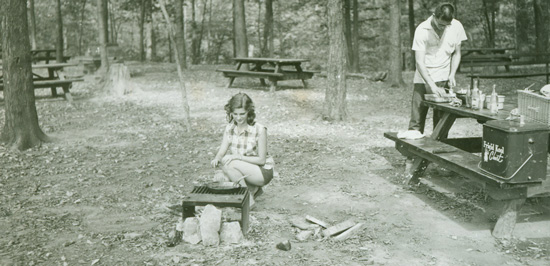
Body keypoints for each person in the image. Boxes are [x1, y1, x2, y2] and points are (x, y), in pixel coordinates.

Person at [408, 3, 467, 134]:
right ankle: (413, 153)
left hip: (443, 77)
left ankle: (438, 151)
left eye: (446, 25)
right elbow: (419, 62)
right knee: (416, 120)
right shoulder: (422, 30)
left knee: (441, 122)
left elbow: (457, 53)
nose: (443, 28)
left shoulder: (456, 26)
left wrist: (452, 74)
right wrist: (432, 86)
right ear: (434, 16)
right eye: (440, 24)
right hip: (423, 79)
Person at [211, 93, 274, 205]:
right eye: (235, 114)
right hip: (245, 169)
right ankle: (252, 189)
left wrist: (237, 157)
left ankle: (248, 200)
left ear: (249, 112)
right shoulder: (230, 128)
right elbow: (222, 150)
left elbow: (261, 160)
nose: (238, 118)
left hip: (262, 171)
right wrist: (217, 158)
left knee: (229, 164)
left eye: (242, 114)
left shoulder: (259, 129)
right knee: (221, 176)